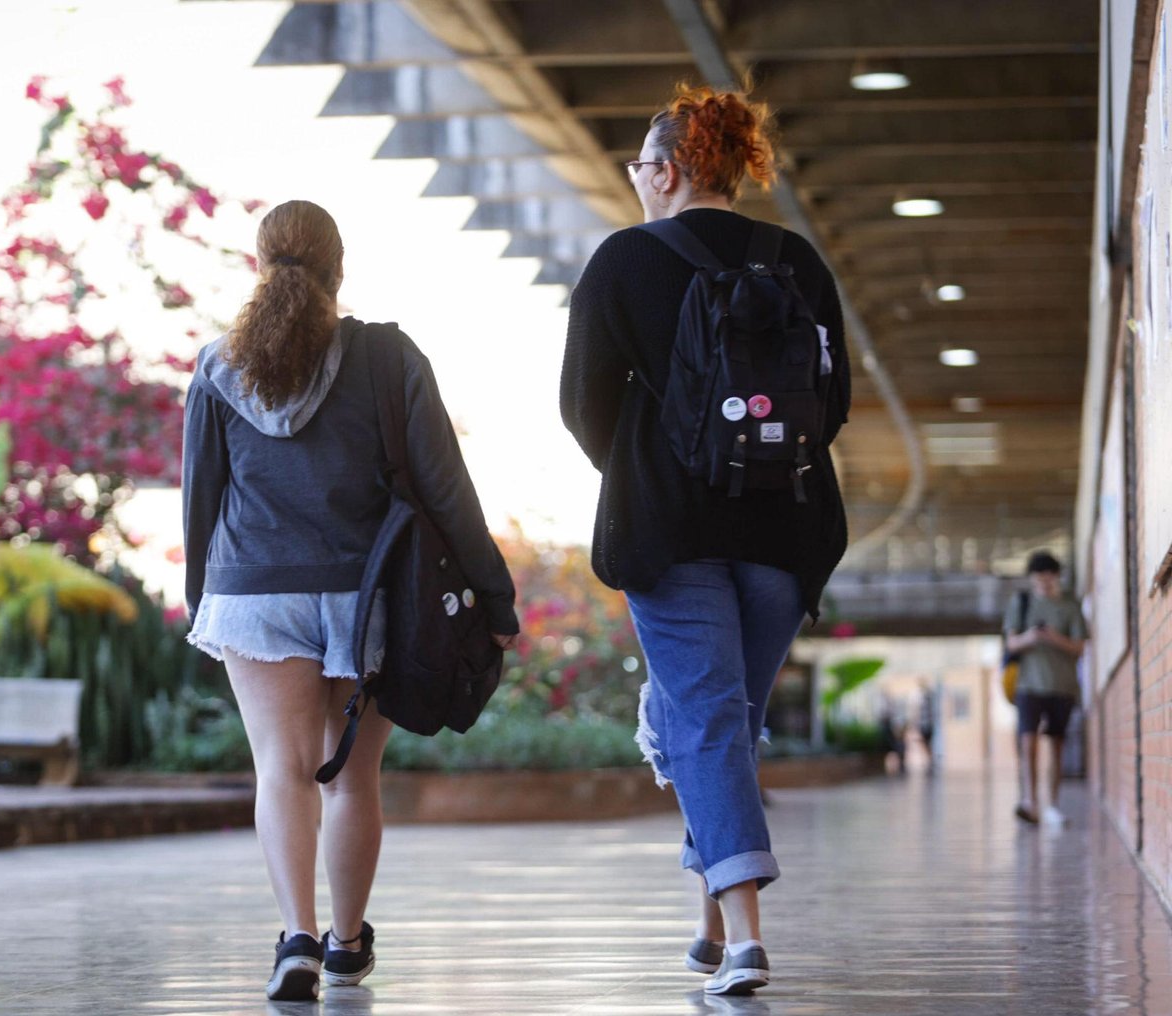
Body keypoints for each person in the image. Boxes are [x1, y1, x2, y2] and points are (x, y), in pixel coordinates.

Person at [182, 199, 518, 1002]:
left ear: (259, 266)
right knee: (350, 779)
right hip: (371, 595)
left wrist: (204, 599)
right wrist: (493, 596)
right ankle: (345, 944)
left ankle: (296, 938)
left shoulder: (217, 365)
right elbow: (445, 489)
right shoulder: (388, 357)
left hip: (255, 595)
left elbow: (201, 497)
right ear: (341, 269)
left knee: (281, 770)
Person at [560, 85, 849, 996]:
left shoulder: (623, 261)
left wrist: (654, 459)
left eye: (641, 167)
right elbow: (830, 405)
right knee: (726, 721)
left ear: (671, 169)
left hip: (669, 532)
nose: (638, 182)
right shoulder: (797, 260)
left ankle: (749, 942)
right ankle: (709, 922)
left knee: (710, 720)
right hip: (786, 527)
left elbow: (581, 404)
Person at [1004, 551, 1088, 827]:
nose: (1044, 581)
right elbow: (1011, 643)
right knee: (1028, 742)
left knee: (1056, 744)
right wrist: (1031, 636)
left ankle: (1053, 804)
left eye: (1050, 575)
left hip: (1062, 685)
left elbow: (1079, 647)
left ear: (1057, 576)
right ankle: (1030, 802)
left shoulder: (1070, 606)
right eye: (1039, 576)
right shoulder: (1022, 602)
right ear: (1031, 578)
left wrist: (1053, 637)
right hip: (1028, 684)